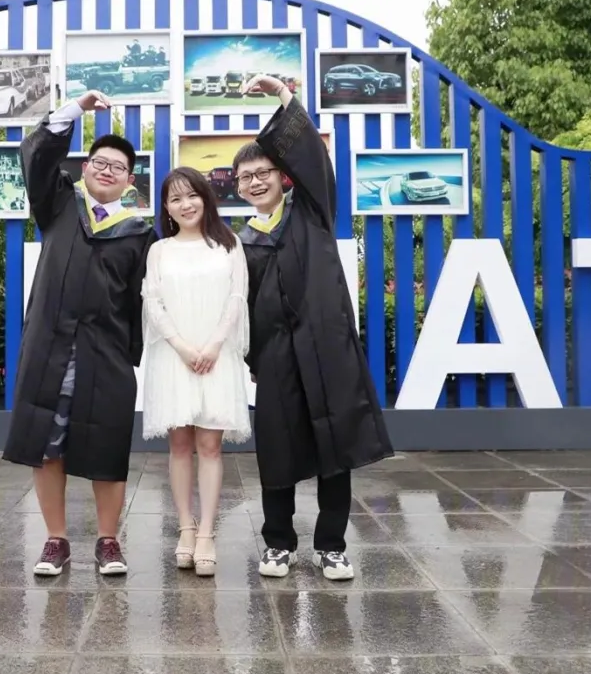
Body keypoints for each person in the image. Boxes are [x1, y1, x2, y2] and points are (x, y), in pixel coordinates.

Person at [233, 74, 395, 581]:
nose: (255, 182)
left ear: (283, 177)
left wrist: (283, 97)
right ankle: (278, 543)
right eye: (245, 177)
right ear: (237, 187)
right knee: (277, 447)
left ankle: (331, 546)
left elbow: (313, 158)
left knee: (334, 445)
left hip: (326, 348)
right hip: (276, 355)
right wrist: (253, 357)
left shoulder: (311, 212)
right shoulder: (241, 241)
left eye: (263, 172)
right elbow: (240, 307)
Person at [3, 89, 158, 577]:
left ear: (129, 181)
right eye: (99, 162)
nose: (107, 170)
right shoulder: (58, 204)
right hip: (50, 348)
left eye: (118, 167)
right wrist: (75, 109)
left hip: (105, 354)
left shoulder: (140, 233)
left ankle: (108, 541)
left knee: (107, 446)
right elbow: (36, 157)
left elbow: (142, 302)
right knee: (46, 444)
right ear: (85, 167)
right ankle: (56, 539)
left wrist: (130, 355)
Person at [141, 166, 251, 577]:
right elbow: (153, 303)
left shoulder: (228, 245)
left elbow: (237, 299)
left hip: (216, 356)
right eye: (175, 199)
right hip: (175, 357)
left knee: (210, 446)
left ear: (206, 197)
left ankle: (206, 533)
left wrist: (214, 345)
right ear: (166, 208)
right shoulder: (159, 250)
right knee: (179, 445)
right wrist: (184, 348)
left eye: (192, 195)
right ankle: (185, 528)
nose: (185, 204)